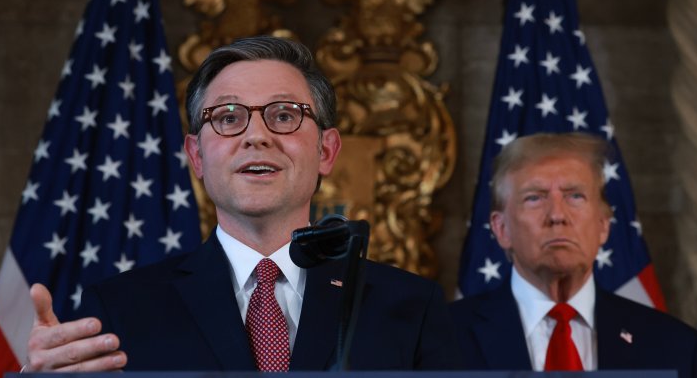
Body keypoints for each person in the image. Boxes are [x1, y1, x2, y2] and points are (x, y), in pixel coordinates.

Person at [24, 36, 462, 372]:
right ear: (196, 155)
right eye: (229, 117)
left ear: (326, 151)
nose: (257, 136)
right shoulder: (120, 310)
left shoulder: (409, 307)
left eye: (285, 115)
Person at [451, 132, 697, 377]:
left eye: (575, 196)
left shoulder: (677, 349)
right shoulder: (434, 342)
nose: (557, 215)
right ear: (501, 228)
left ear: (603, 225)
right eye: (534, 198)